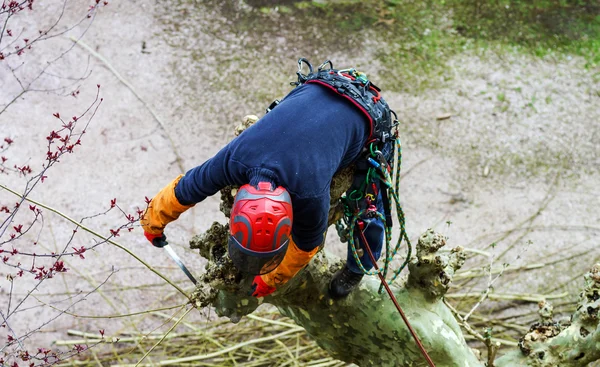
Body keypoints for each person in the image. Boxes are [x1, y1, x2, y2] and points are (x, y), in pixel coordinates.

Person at [141, 59, 396, 299]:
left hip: (368, 113)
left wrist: (270, 281)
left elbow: (305, 248)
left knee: (370, 210)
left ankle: (358, 268)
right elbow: (187, 189)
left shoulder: (309, 195)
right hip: (322, 86)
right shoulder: (234, 159)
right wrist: (152, 220)